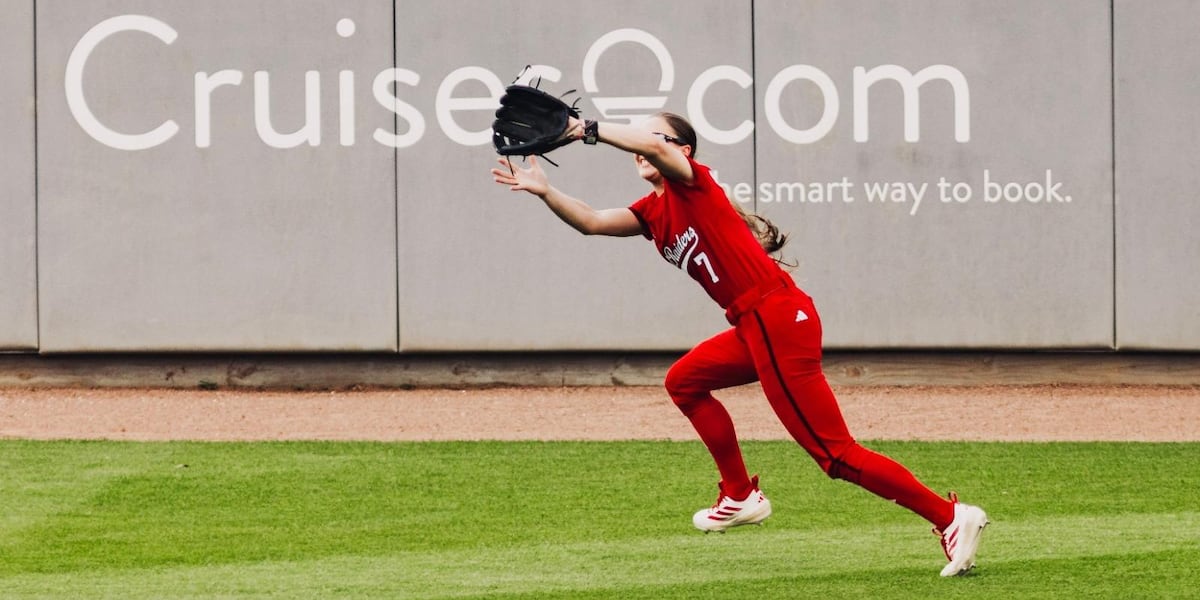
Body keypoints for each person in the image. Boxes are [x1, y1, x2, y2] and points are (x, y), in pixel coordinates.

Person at [489, 111, 988, 577]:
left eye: (654, 138)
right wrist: (545, 192)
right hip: (757, 324)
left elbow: (653, 149)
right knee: (683, 382)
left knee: (834, 455)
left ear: (679, 149)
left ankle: (948, 516)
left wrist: (586, 129)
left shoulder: (691, 181)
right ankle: (740, 494)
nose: (641, 148)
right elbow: (592, 221)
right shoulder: (653, 210)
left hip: (773, 317)